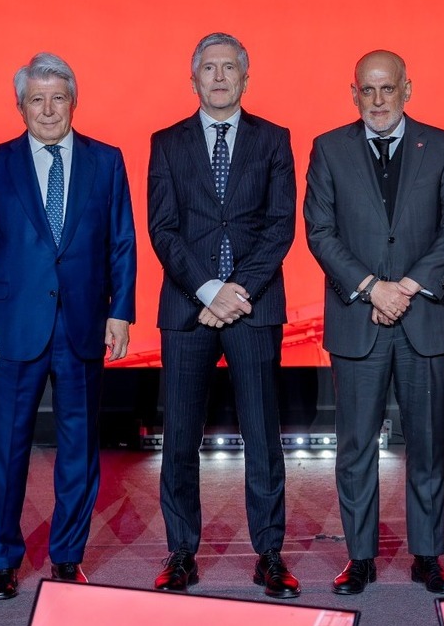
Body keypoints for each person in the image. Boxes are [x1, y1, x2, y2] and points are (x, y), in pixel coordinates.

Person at [0, 52, 137, 600]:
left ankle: (67, 557)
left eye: (57, 97)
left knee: (79, 448)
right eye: (36, 98)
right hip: (14, 325)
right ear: (20, 107)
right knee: (7, 449)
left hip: (84, 323)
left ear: (73, 102)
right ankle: (3, 561)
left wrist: (120, 310)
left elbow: (122, 244)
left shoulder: (106, 161)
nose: (47, 108)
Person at [303, 50, 444, 596]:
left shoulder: (442, 146)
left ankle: (427, 555)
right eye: (366, 90)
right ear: (353, 94)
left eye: (387, 89)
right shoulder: (328, 148)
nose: (377, 101)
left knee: (427, 444)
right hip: (359, 319)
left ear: (407, 89)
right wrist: (372, 288)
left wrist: (404, 287)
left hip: (422, 317)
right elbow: (320, 231)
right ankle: (360, 557)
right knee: (355, 447)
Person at [147, 32, 300, 599]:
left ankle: (270, 553)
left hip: (254, 308)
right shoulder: (166, 143)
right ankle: (181, 552)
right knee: (180, 438)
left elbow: (279, 225)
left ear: (245, 77)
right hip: (188, 309)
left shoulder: (274, 140)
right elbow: (163, 229)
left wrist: (237, 292)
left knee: (263, 437)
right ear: (193, 79)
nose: (218, 77)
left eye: (228, 68)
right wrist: (209, 290)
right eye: (208, 68)